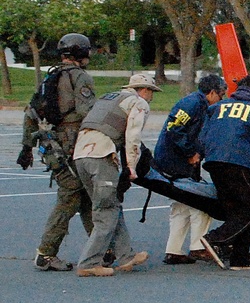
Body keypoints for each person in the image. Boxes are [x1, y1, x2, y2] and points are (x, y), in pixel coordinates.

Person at [18, 33, 97, 272]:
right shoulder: (80, 77)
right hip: (74, 144)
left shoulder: (50, 77)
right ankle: (46, 253)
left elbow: (31, 112)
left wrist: (26, 147)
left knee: (85, 198)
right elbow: (88, 111)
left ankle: (101, 248)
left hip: (54, 145)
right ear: (81, 53)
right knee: (70, 198)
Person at [73, 73, 160, 277]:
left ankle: (127, 256)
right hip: (101, 155)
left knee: (111, 205)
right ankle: (89, 262)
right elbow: (133, 136)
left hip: (81, 155)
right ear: (144, 90)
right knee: (106, 211)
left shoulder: (108, 98)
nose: (152, 98)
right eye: (152, 93)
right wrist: (131, 165)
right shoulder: (138, 103)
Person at [198, 75, 250, 271]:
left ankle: (240, 258)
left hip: (213, 161)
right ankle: (215, 239)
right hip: (240, 162)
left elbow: (202, 137)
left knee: (236, 209)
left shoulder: (217, 107)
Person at [152, 73, 227, 265]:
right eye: (221, 95)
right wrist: (190, 153)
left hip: (172, 160)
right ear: (211, 93)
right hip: (177, 161)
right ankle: (198, 247)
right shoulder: (193, 104)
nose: (222, 99)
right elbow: (174, 127)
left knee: (180, 204)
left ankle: (174, 250)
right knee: (201, 202)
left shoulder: (196, 103)